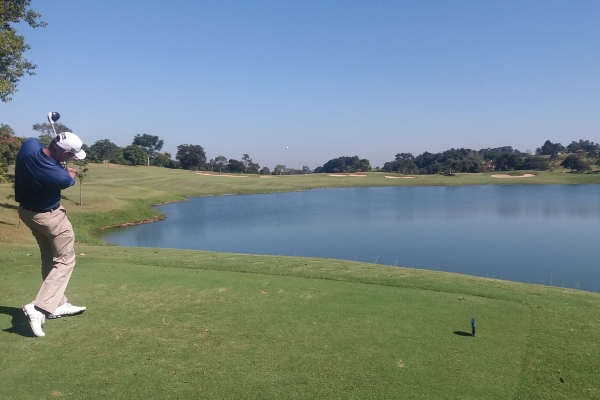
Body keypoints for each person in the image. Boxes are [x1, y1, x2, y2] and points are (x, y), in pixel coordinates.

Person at [15, 132, 88, 337]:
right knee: (65, 260)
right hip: (50, 217)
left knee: (49, 256)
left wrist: (56, 158)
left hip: (27, 213)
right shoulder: (60, 176)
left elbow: (36, 144)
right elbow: (69, 177)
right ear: (64, 151)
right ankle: (40, 308)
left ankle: (57, 304)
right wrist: (70, 172)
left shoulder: (29, 147)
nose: (73, 159)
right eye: (72, 155)